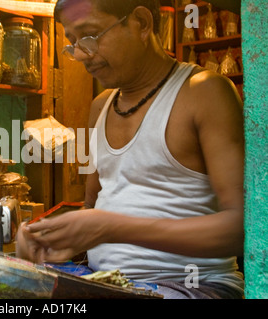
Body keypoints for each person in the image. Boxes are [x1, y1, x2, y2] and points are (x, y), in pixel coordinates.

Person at [16, 0, 245, 299]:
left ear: (141, 23)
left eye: (90, 36)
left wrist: (111, 228)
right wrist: (45, 236)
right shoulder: (100, 107)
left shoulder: (204, 92)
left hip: (195, 286)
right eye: (72, 43)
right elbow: (93, 208)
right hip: (106, 283)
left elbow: (242, 227)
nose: (82, 54)